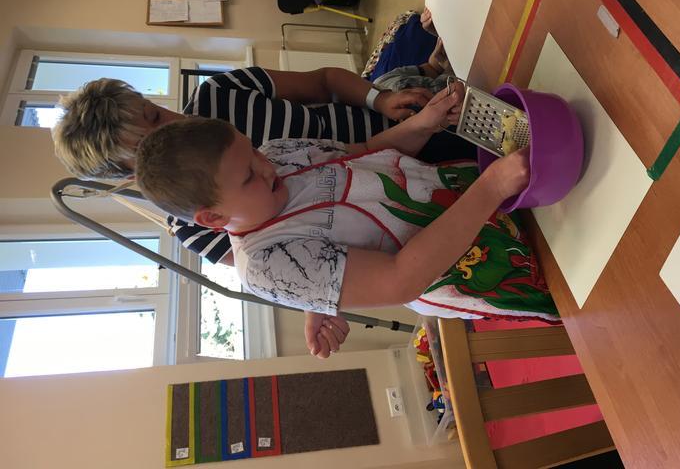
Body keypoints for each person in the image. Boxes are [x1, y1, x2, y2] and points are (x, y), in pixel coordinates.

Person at [51, 65, 473, 357]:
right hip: (436, 232)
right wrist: (316, 298)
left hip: (409, 146)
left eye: (155, 115)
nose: (171, 133)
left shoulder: (228, 105)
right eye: (148, 149)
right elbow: (296, 263)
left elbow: (328, 89)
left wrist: (381, 100)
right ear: (135, 176)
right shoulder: (200, 230)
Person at [135, 87, 559, 323]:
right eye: (248, 175)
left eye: (252, 151)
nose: (266, 166)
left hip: (478, 189)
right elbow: (400, 280)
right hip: (488, 266)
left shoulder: (276, 153)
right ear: (213, 217)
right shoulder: (265, 265)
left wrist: (421, 125)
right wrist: (490, 189)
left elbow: (367, 152)